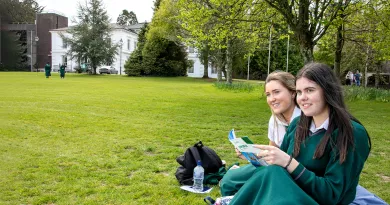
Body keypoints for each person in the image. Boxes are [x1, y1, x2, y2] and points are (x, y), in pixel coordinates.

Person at [220, 63, 371, 205]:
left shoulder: (352, 133)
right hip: (290, 188)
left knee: (271, 175)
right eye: (299, 92)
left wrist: (289, 162)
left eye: (310, 90)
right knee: (238, 179)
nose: (302, 97)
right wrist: (254, 153)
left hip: (316, 200)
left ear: (328, 91)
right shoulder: (298, 124)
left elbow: (331, 195)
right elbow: (279, 164)